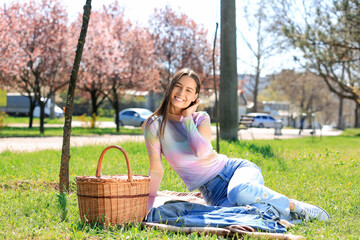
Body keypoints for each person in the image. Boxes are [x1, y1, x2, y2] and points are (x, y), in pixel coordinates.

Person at [143, 68, 329, 223]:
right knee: (237, 216)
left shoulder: (201, 118)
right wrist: (147, 207)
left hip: (235, 172)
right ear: (170, 88)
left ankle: (295, 206)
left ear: (195, 97)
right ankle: (285, 216)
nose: (182, 93)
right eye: (178, 86)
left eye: (189, 90)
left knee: (239, 192)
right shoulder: (155, 125)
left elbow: (200, 150)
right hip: (214, 196)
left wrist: (188, 119)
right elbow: (156, 169)